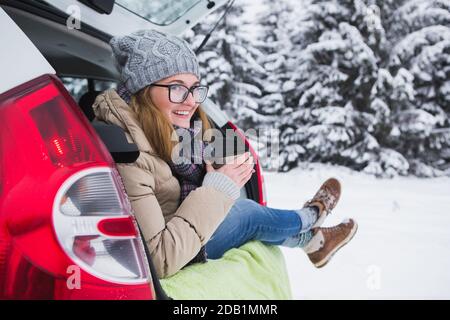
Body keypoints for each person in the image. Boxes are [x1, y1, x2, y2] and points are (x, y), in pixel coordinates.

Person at [93, 29, 357, 279]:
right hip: (176, 245)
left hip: (182, 222)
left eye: (195, 88)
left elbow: (208, 152)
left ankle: (313, 241)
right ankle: (312, 216)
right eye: (177, 87)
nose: (191, 100)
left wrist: (226, 164)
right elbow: (160, 259)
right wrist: (217, 189)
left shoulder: (168, 127)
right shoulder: (127, 152)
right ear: (143, 90)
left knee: (241, 209)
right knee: (247, 213)